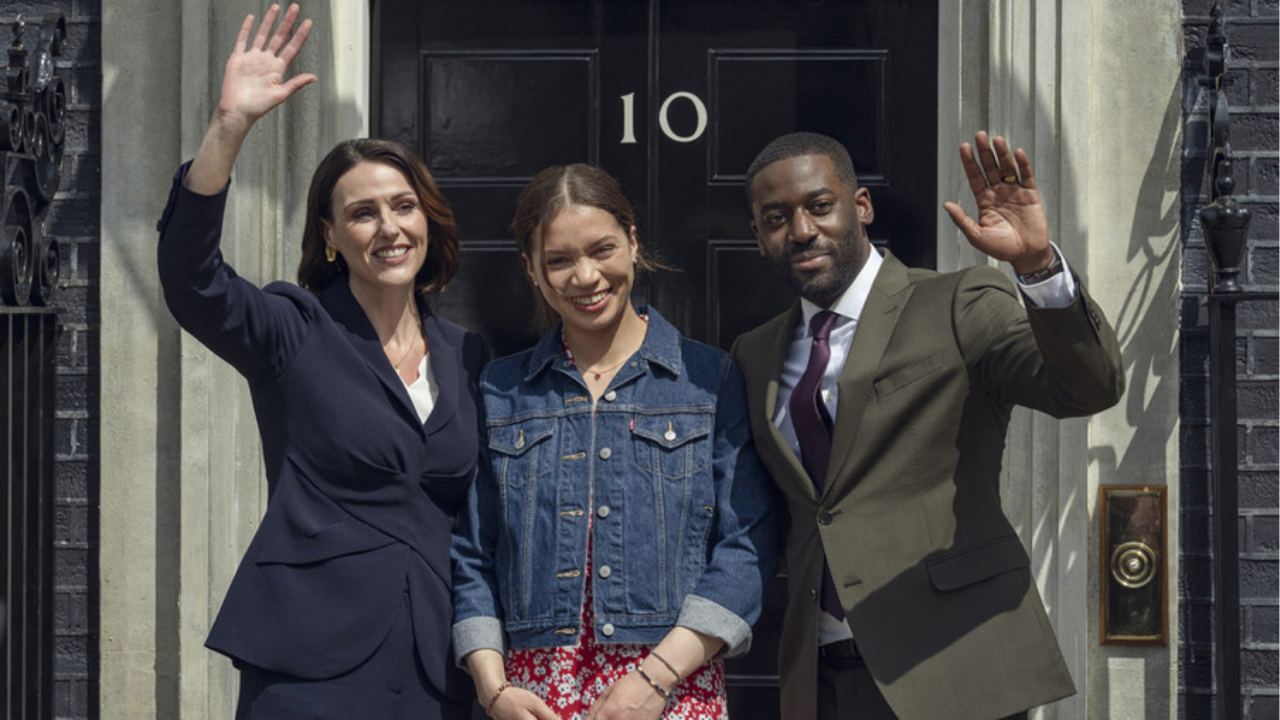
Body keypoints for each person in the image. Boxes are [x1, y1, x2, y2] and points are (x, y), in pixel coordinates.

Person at [155, 5, 485, 717]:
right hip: (310, 660)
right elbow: (193, 281)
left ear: (427, 219)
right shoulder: (294, 327)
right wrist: (229, 126)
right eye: (363, 213)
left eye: (403, 206)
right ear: (330, 234)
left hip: (434, 665)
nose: (389, 227)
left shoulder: (466, 353)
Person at [731, 131, 1124, 720]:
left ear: (861, 206)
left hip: (957, 663)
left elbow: (1087, 387)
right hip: (822, 680)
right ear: (759, 237)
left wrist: (1036, 265)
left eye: (820, 206)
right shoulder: (754, 353)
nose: (803, 230)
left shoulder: (958, 302)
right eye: (777, 218)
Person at [451, 163, 778, 720]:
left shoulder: (708, 379)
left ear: (632, 242)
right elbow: (473, 553)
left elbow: (746, 545)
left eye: (602, 249)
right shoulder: (501, 391)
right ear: (531, 269)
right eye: (559, 260)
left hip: (671, 687)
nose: (586, 276)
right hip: (534, 697)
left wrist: (655, 678)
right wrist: (492, 688)